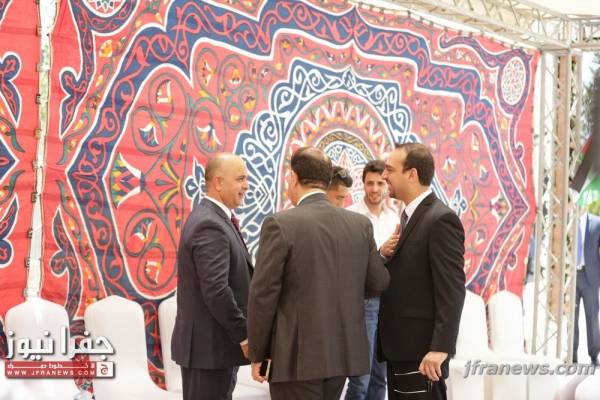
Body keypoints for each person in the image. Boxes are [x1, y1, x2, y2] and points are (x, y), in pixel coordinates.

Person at [247, 147, 390, 400]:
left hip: (295, 358)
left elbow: (263, 296)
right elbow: (378, 282)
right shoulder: (360, 225)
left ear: (293, 177)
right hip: (341, 354)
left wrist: (258, 353)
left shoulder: (280, 224)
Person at [378, 143, 465, 400]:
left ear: (412, 174)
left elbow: (452, 290)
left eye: (390, 169)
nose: (384, 176)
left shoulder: (440, 220)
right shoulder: (408, 217)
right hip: (400, 349)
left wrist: (440, 347)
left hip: (422, 353)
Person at [171, 153, 253, 400]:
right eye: (240, 179)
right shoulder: (210, 224)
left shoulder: (215, 218)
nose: (247, 186)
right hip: (210, 351)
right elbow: (217, 291)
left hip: (215, 350)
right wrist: (244, 335)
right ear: (218, 182)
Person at [345, 159, 399, 400]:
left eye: (380, 183)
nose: (375, 189)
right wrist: (380, 252)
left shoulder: (394, 218)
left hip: (389, 303)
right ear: (363, 184)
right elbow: (348, 262)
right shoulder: (350, 216)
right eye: (369, 183)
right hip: (363, 301)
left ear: (387, 185)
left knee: (380, 379)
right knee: (360, 380)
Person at [573, 211, 600, 365]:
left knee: (592, 317)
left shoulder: (597, 223)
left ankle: (594, 355)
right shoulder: (567, 221)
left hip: (590, 278)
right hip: (571, 276)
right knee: (571, 318)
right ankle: (572, 355)